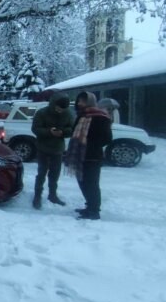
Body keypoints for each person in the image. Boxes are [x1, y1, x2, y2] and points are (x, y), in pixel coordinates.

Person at [65, 92, 113, 220]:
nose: (79, 103)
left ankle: (94, 211)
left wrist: (89, 143)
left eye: (83, 101)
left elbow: (107, 139)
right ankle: (89, 206)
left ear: (90, 101)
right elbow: (73, 132)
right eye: (79, 100)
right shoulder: (81, 116)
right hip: (79, 156)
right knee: (82, 182)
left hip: (92, 156)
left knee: (91, 184)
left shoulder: (101, 117)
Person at [31, 92, 74, 209]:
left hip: (57, 149)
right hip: (42, 148)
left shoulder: (68, 114)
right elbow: (35, 129)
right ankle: (37, 196)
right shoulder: (42, 113)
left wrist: (63, 132)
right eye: (59, 108)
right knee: (41, 174)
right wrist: (49, 131)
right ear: (54, 104)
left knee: (55, 174)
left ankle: (52, 195)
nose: (60, 111)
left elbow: (72, 128)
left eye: (63, 109)